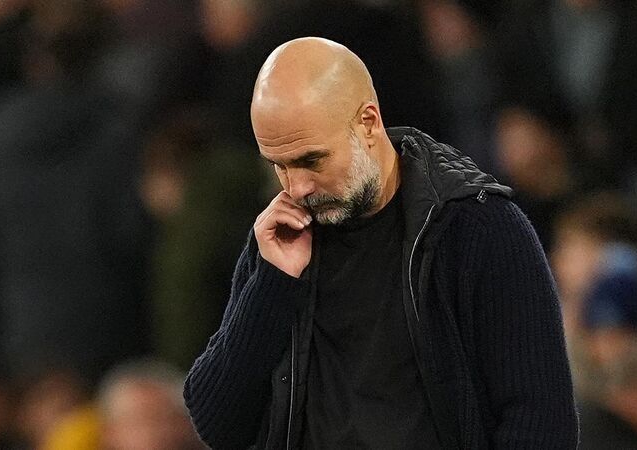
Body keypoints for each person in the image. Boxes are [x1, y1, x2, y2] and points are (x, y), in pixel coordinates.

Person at [184, 37, 578, 449]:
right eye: (279, 166)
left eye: (311, 160)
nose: (297, 188)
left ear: (368, 123)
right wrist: (271, 285)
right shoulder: (280, 238)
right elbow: (218, 425)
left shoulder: (479, 229)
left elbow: (540, 422)